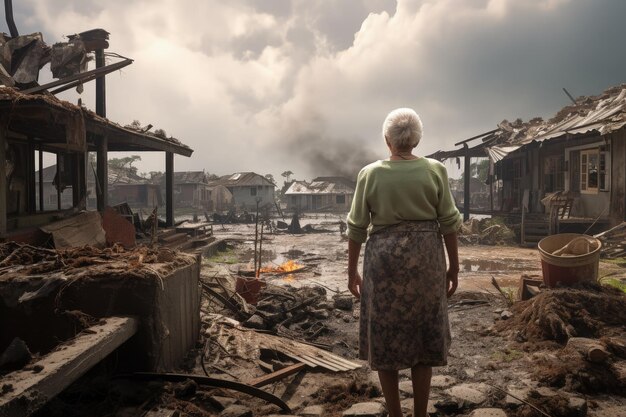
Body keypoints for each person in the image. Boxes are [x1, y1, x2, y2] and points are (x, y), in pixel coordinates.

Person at [346, 108, 461, 417]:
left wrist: (351, 271)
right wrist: (454, 267)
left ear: (388, 140)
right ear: (417, 139)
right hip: (427, 260)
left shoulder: (370, 173)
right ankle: (420, 414)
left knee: (385, 337)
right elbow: (449, 223)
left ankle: (396, 414)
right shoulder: (435, 170)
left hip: (383, 263)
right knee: (424, 333)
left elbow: (356, 228)